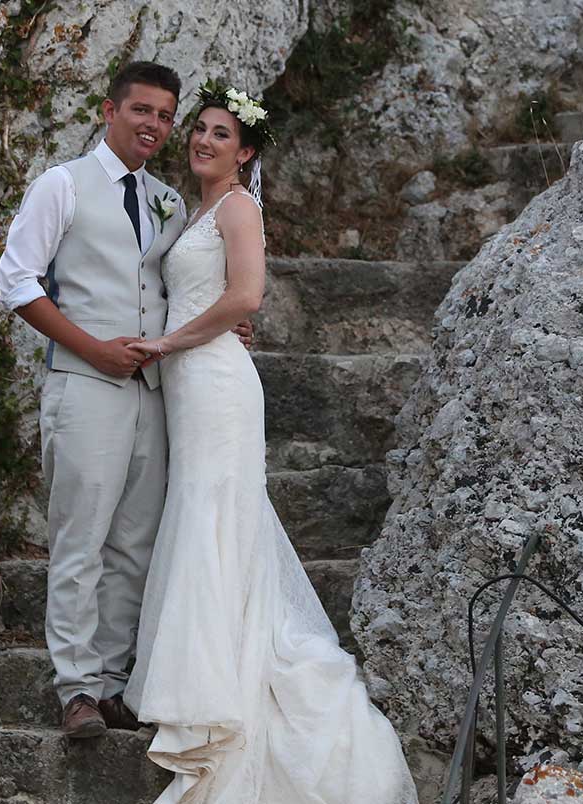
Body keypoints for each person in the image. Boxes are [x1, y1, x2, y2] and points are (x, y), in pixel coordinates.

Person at [119, 80, 418, 804]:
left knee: (217, 508)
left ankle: (220, 685)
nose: (203, 140)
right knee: (203, 509)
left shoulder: (240, 206)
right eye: (201, 130)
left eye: (222, 134)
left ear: (245, 152)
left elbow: (247, 297)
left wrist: (169, 340)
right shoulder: (198, 209)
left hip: (216, 382)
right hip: (191, 382)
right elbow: (215, 292)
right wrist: (182, 335)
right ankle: (207, 668)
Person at [0, 61, 251, 739]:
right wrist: (90, 348)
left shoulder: (169, 198)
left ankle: (112, 684)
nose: (155, 126)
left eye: (166, 116)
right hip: (85, 387)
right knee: (81, 539)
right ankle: (75, 690)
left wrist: (227, 318)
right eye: (142, 111)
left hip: (158, 393)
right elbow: (17, 281)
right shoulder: (63, 184)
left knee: (135, 543)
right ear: (110, 112)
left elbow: (183, 284)